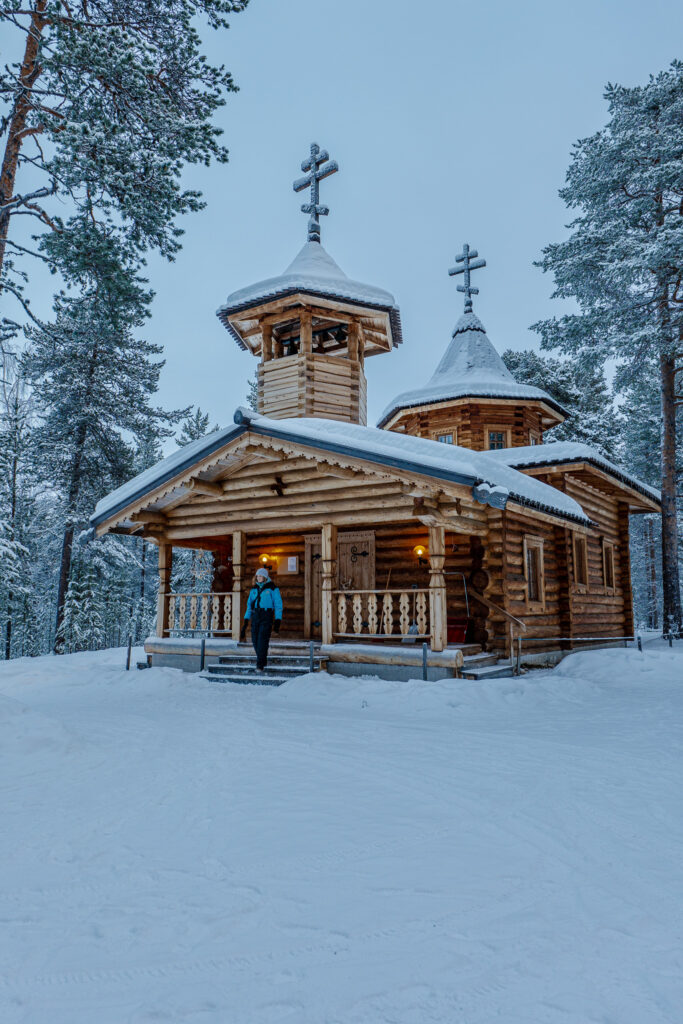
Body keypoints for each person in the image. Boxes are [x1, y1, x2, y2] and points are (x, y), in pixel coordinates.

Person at [240, 568, 283, 670]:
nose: (258, 578)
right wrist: (245, 622)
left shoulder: (273, 588)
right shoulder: (254, 589)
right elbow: (249, 606)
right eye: (257, 576)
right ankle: (263, 660)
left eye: (260, 576)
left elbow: (278, 605)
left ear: (265, 577)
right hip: (256, 616)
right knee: (255, 641)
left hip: (266, 615)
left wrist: (277, 621)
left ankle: (260, 665)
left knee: (262, 640)